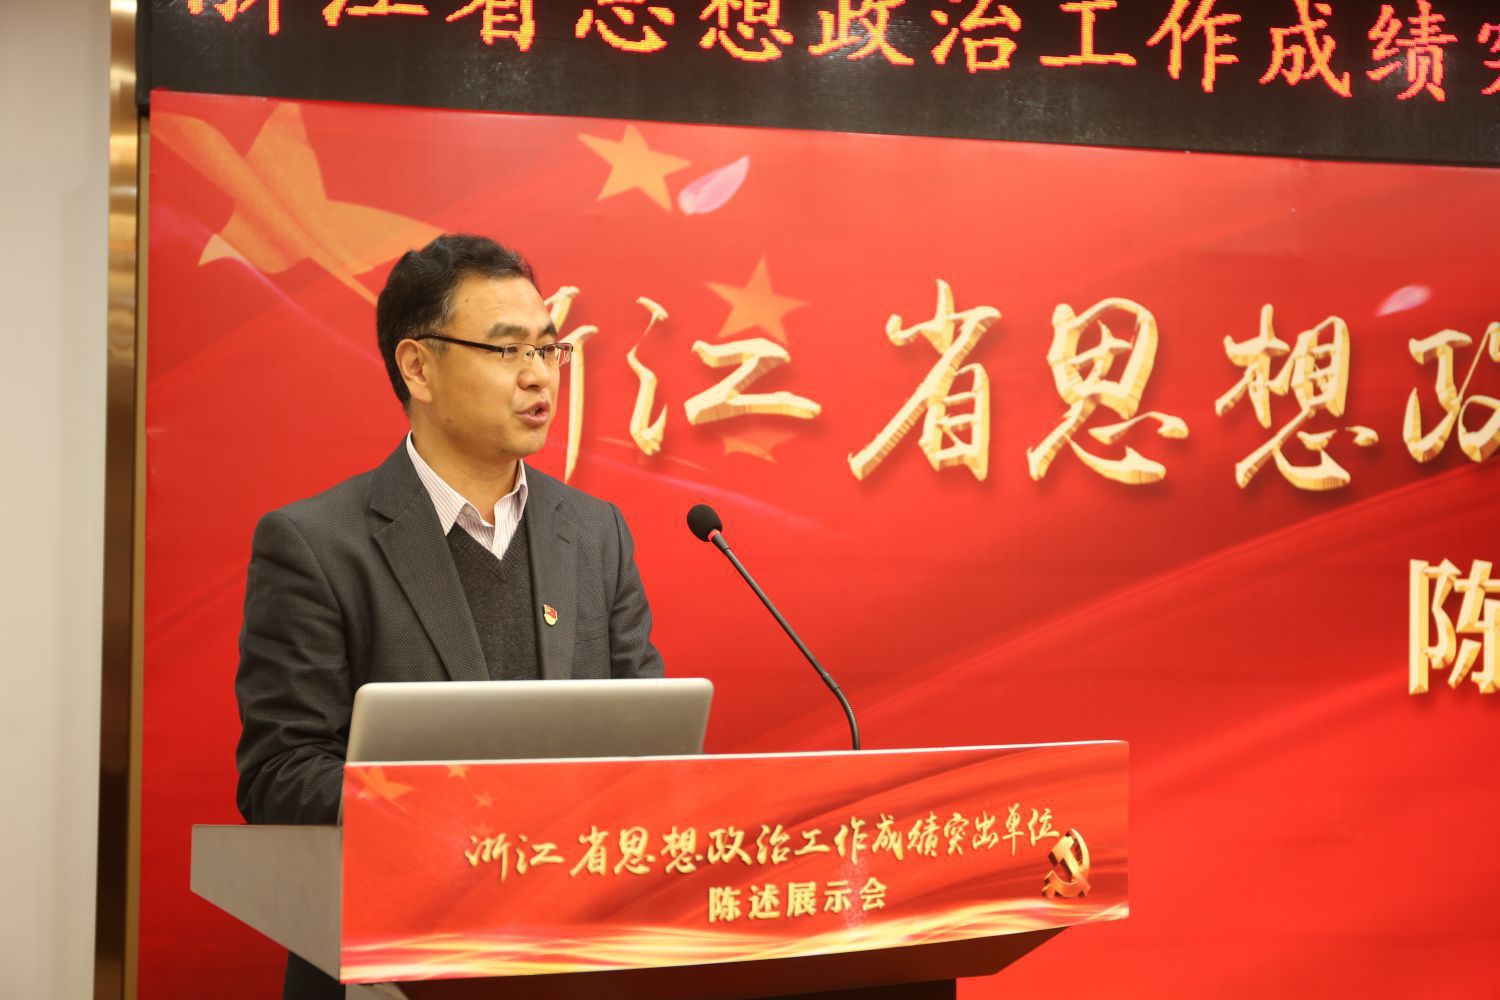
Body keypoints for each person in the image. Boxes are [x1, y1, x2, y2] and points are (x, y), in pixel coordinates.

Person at [234, 234, 664, 998]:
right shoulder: (316, 544)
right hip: (390, 967)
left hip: (570, 958)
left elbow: (650, 744)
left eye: (548, 347)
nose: (539, 374)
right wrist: (466, 819)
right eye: (506, 349)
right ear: (418, 367)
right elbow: (281, 774)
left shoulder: (595, 532)